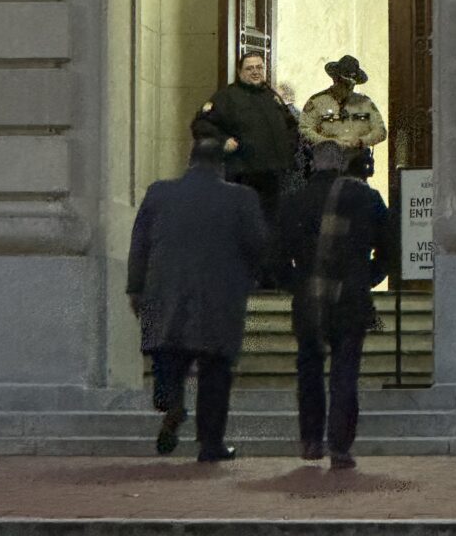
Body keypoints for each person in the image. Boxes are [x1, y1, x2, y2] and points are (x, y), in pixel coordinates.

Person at [126, 137, 267, 462]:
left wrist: (136, 288)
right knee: (215, 372)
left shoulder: (159, 192)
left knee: (168, 357)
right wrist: (252, 280)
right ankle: (210, 444)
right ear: (222, 165)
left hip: (165, 292)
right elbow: (258, 245)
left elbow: (139, 244)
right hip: (220, 297)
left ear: (189, 161)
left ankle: (171, 403)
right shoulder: (241, 198)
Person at [277, 140, 390, 470]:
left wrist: (296, 284)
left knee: (309, 369)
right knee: (345, 371)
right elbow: (388, 247)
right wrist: (368, 277)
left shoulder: (294, 200)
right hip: (351, 297)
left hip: (309, 297)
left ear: (313, 165)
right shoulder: (366, 198)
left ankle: (311, 439)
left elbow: (276, 256)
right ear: (341, 164)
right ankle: (340, 444)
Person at [192, 52, 299, 284]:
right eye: (249, 68)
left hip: (275, 177)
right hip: (245, 176)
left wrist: (288, 150)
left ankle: (271, 279)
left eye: (259, 67)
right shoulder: (227, 98)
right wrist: (223, 141)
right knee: (247, 230)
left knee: (273, 230)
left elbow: (292, 127)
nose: (255, 71)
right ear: (240, 72)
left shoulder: (272, 98)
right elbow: (201, 124)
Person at [299, 54, 386, 157]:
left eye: (352, 84)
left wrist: (362, 141)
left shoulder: (364, 103)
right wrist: (329, 143)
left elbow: (380, 131)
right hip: (327, 162)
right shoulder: (318, 102)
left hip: (356, 163)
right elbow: (304, 129)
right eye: (344, 83)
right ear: (335, 79)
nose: (349, 88)